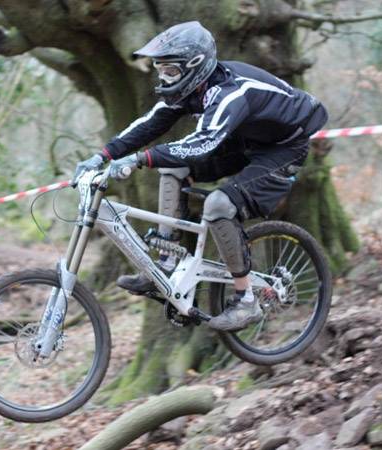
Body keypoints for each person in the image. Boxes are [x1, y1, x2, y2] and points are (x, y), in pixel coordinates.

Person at [73, 21, 328, 332]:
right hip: (243, 140)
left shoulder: (231, 93)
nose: (164, 79)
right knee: (172, 169)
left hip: (282, 148)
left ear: (194, 65)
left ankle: (246, 300)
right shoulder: (192, 88)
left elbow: (202, 144)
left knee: (219, 206)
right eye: (161, 71)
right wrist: (102, 155)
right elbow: (150, 123)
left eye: (170, 71)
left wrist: (140, 159)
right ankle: (165, 265)